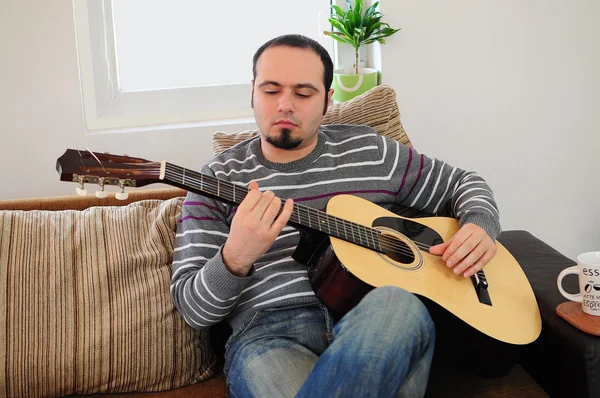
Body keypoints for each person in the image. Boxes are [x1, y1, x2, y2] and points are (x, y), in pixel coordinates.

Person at [171, 34, 500, 397]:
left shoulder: (370, 149)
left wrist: (479, 224)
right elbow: (193, 311)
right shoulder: (215, 179)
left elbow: (462, 183)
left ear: (328, 99)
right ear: (252, 92)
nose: (284, 105)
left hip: (377, 323)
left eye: (303, 93)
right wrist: (235, 256)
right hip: (270, 336)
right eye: (270, 90)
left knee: (398, 304)